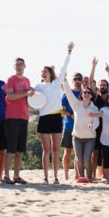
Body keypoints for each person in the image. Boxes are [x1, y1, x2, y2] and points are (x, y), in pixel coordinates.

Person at [33, 43, 73, 183]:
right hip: (44, 119)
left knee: (56, 150)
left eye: (45, 71)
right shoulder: (38, 86)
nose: (43, 73)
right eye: (41, 71)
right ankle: (45, 177)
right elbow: (32, 100)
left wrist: (69, 51)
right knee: (46, 150)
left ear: (50, 73)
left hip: (56, 118)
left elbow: (64, 67)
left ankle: (56, 177)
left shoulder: (57, 83)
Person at [59, 66, 102, 183]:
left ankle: (90, 177)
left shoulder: (94, 107)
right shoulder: (76, 104)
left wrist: (92, 126)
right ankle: (82, 178)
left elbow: (97, 121)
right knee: (79, 159)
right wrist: (64, 79)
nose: (86, 94)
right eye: (84, 92)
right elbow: (67, 92)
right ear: (81, 95)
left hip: (90, 137)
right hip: (76, 136)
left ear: (91, 95)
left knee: (87, 160)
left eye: (89, 92)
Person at [3, 55, 34, 184]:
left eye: (21, 63)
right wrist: (26, 93)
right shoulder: (10, 79)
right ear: (14, 66)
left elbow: (30, 99)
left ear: (24, 66)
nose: (19, 66)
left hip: (24, 117)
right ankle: (6, 176)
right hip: (12, 118)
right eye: (17, 64)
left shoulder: (27, 81)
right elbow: (10, 96)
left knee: (20, 149)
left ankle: (16, 175)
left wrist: (33, 93)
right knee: (10, 149)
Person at [60, 72, 84, 180]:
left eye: (79, 79)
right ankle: (65, 175)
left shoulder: (85, 94)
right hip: (69, 126)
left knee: (79, 154)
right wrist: (70, 114)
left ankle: (77, 175)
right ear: (72, 81)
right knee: (68, 152)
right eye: (75, 79)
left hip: (82, 127)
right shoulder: (66, 94)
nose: (78, 81)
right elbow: (61, 110)